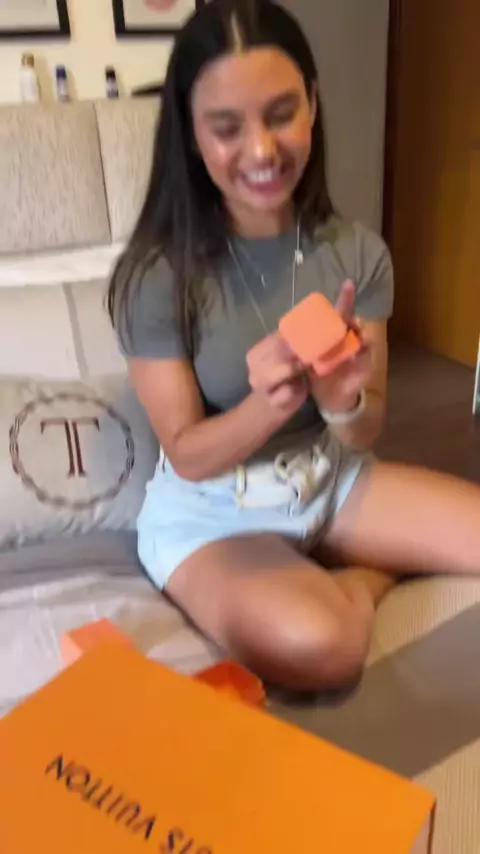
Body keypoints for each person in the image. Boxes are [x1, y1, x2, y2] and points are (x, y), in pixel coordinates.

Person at [109, 0, 480, 692]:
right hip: (213, 511)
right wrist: (270, 404)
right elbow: (187, 454)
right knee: (322, 646)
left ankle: (350, 563)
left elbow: (365, 428)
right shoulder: (155, 278)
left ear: (313, 102)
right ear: (191, 134)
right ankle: (367, 580)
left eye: (282, 114)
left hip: (330, 480)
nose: (262, 151)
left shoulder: (357, 255)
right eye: (227, 129)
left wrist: (342, 404)